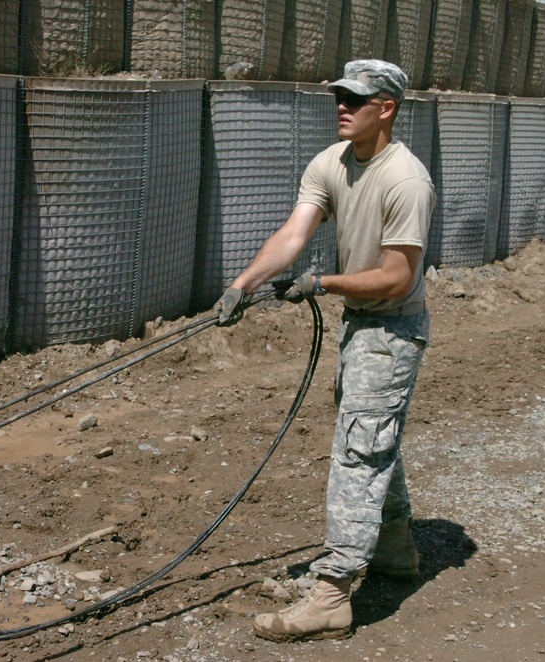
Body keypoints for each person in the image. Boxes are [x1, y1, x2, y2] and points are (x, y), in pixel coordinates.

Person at [213, 59, 436, 642]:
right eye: (339, 95)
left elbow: (394, 277)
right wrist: (243, 284)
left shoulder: (406, 180)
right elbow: (294, 233)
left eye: (355, 99)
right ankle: (395, 550)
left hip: (391, 331)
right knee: (372, 436)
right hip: (359, 327)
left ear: (385, 108)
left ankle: (334, 594)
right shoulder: (331, 163)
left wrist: (323, 284)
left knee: (360, 449)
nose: (341, 105)